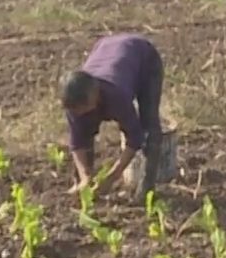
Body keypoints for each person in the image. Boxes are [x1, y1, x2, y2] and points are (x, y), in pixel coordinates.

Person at [60, 33, 166, 198]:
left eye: (85, 108)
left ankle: (147, 188)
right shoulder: (74, 102)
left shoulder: (117, 96)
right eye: (76, 111)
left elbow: (135, 138)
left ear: (95, 95)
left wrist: (112, 177)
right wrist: (85, 176)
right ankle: (82, 184)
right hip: (107, 48)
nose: (79, 114)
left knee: (149, 125)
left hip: (143, 58)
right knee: (84, 129)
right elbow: (77, 142)